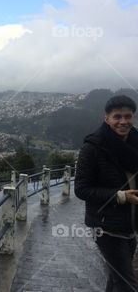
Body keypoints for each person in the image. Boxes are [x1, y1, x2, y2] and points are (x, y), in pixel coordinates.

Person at [75, 95, 138, 292]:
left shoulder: (136, 143)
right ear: (107, 118)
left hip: (130, 224)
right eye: (117, 117)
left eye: (128, 116)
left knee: (116, 279)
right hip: (106, 227)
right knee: (127, 284)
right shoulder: (93, 147)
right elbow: (81, 189)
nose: (123, 122)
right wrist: (120, 196)